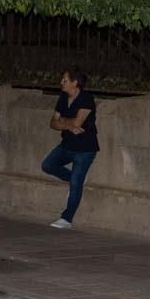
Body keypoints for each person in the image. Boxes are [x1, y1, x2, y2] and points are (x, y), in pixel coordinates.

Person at [40, 67, 99, 230]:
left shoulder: (86, 98)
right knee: (47, 165)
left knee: (75, 183)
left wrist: (64, 122)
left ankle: (67, 219)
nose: (61, 82)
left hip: (85, 148)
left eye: (65, 80)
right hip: (67, 145)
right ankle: (76, 178)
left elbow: (77, 123)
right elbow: (52, 122)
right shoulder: (63, 97)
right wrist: (68, 125)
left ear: (75, 83)